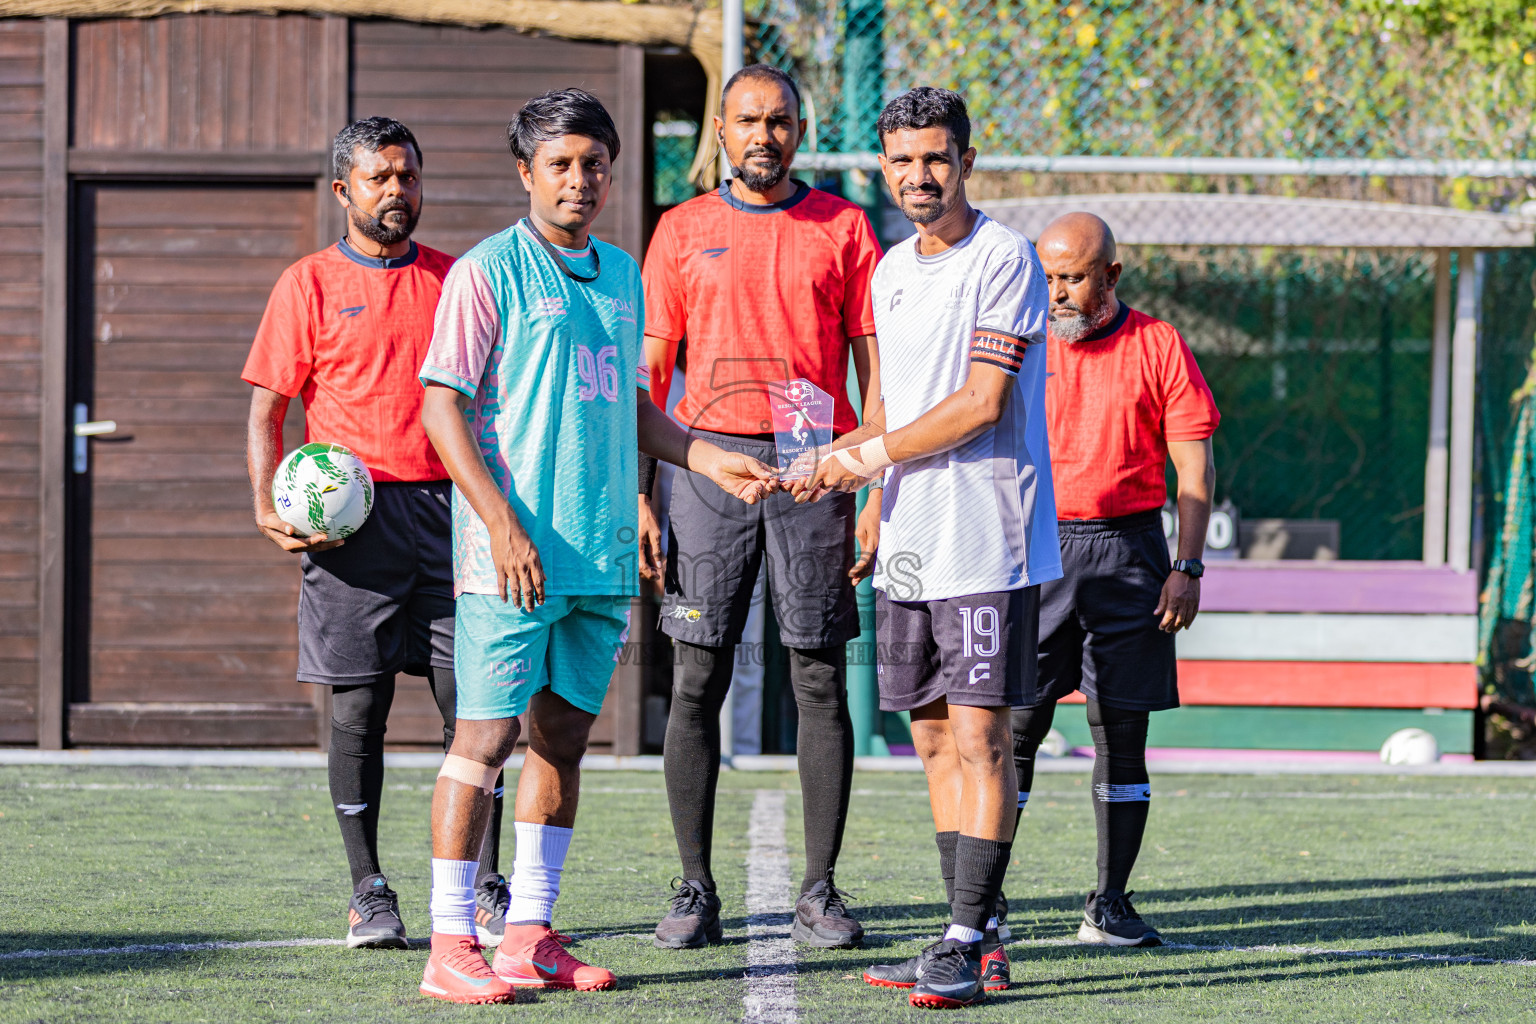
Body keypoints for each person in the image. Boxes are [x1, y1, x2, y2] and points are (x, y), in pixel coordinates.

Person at [415, 88, 775, 1005]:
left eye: (595, 163)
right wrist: (500, 525)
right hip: (512, 556)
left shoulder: (620, 272)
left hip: (599, 556)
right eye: (561, 164)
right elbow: (441, 407)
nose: (580, 180)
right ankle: (450, 942)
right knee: (483, 739)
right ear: (526, 173)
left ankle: (528, 933)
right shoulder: (487, 271)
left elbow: (631, 410)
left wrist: (706, 457)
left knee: (563, 742)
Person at [797, 87, 1059, 1009]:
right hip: (910, 537)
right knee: (935, 738)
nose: (920, 175)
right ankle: (973, 936)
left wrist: (852, 456)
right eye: (903, 160)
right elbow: (889, 405)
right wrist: (868, 493)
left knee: (985, 740)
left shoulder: (1007, 258)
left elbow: (981, 404)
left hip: (987, 536)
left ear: (967, 160)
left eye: (937, 157)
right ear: (883, 168)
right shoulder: (890, 270)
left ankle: (961, 935)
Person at [242, 116, 508, 950]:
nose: (398, 192)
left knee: (477, 709)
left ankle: (484, 887)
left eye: (409, 177)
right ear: (343, 191)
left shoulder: (455, 279)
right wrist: (266, 502)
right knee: (358, 710)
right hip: (349, 531)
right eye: (380, 178)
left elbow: (487, 402)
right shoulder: (306, 285)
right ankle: (369, 891)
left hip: (447, 512)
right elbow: (267, 410)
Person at [639, 63, 883, 952]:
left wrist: (870, 482)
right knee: (696, 676)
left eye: (779, 121)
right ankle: (695, 887)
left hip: (817, 468)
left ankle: (819, 890)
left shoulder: (845, 226)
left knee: (817, 674)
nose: (763, 136)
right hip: (707, 470)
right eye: (747, 120)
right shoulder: (680, 229)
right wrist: (643, 490)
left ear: (799, 131)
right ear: (721, 133)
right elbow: (650, 375)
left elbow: (875, 372)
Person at [1007, 212, 1219, 948]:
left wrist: (1187, 567)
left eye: (1074, 278)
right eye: (1048, 276)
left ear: (1111, 277)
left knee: (1122, 736)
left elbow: (1193, 468)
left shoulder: (1159, 345)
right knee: (1016, 730)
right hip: (1037, 550)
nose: (1058, 293)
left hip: (1131, 554)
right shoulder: (1020, 341)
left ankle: (1111, 904)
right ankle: (987, 901)